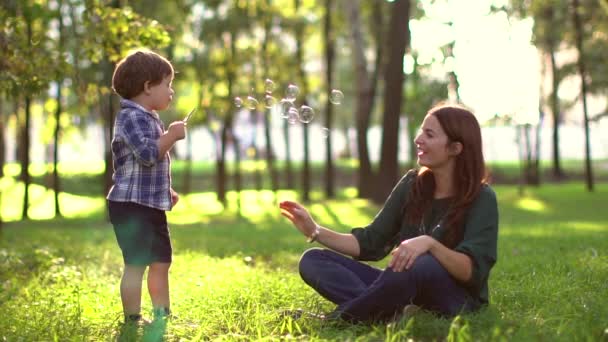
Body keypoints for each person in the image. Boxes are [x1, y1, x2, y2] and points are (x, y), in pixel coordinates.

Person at [280, 104, 498, 323]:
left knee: (419, 262)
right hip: (400, 285)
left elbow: (471, 271)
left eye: (429, 134)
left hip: (454, 299)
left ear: (455, 148)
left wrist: (430, 245)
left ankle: (334, 320)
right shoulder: (412, 184)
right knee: (314, 260)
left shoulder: (481, 198)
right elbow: (370, 242)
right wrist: (315, 230)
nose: (418, 139)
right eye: (421, 131)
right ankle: (391, 314)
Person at [107, 49, 186, 324]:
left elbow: (148, 169)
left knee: (162, 261)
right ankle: (132, 317)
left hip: (148, 204)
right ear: (148, 87)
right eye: (168, 84)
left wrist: (166, 192)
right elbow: (149, 154)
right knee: (136, 263)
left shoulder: (149, 117)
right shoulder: (131, 117)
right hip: (130, 206)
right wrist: (172, 136)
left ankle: (162, 315)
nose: (171, 91)